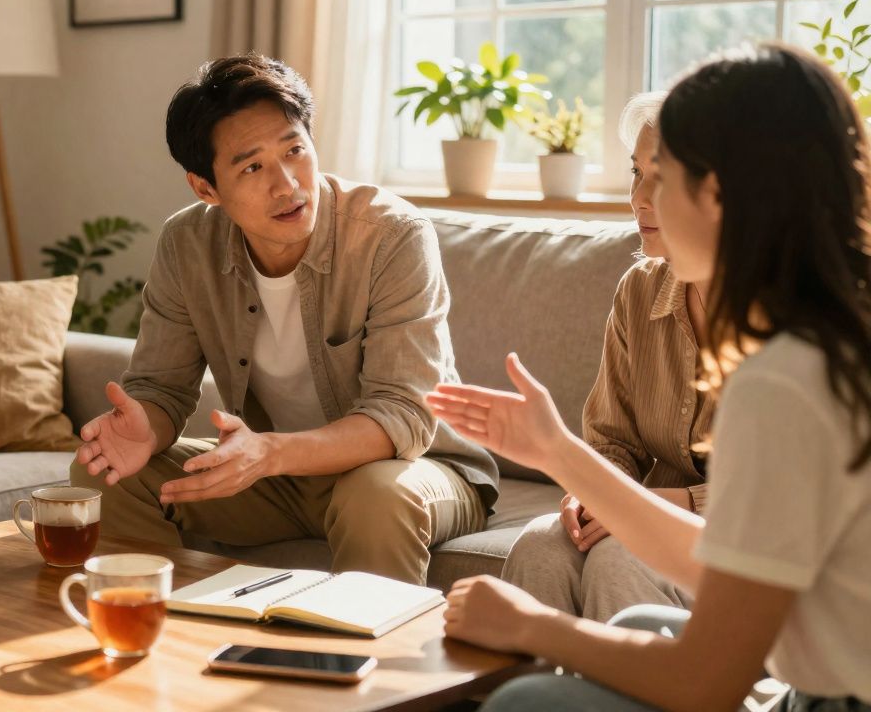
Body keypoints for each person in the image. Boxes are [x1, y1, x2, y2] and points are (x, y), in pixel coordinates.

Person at [427, 43, 871, 711]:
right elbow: (725, 563)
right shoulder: (829, 337)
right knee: (631, 625)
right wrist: (557, 451)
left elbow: (705, 681)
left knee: (526, 702)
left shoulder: (783, 381)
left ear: (718, 193)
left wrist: (533, 626)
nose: (643, 201)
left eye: (660, 177)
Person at [69, 54, 498, 585]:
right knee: (111, 477)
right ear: (205, 188)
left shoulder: (392, 235)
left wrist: (268, 454)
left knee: (374, 494)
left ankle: (371, 665)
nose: (288, 183)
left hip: (418, 469)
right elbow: (162, 389)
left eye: (295, 150)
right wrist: (146, 428)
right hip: (283, 476)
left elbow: (403, 416)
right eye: (252, 167)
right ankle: (166, 640)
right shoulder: (187, 245)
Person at [499, 91, 715, 622]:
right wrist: (590, 493)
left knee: (620, 558)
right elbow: (611, 440)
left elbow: (789, 493)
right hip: (650, 511)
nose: (638, 198)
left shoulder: (802, 317)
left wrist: (655, 505)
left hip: (760, 538)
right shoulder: (640, 290)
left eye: (659, 179)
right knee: (541, 549)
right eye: (636, 174)